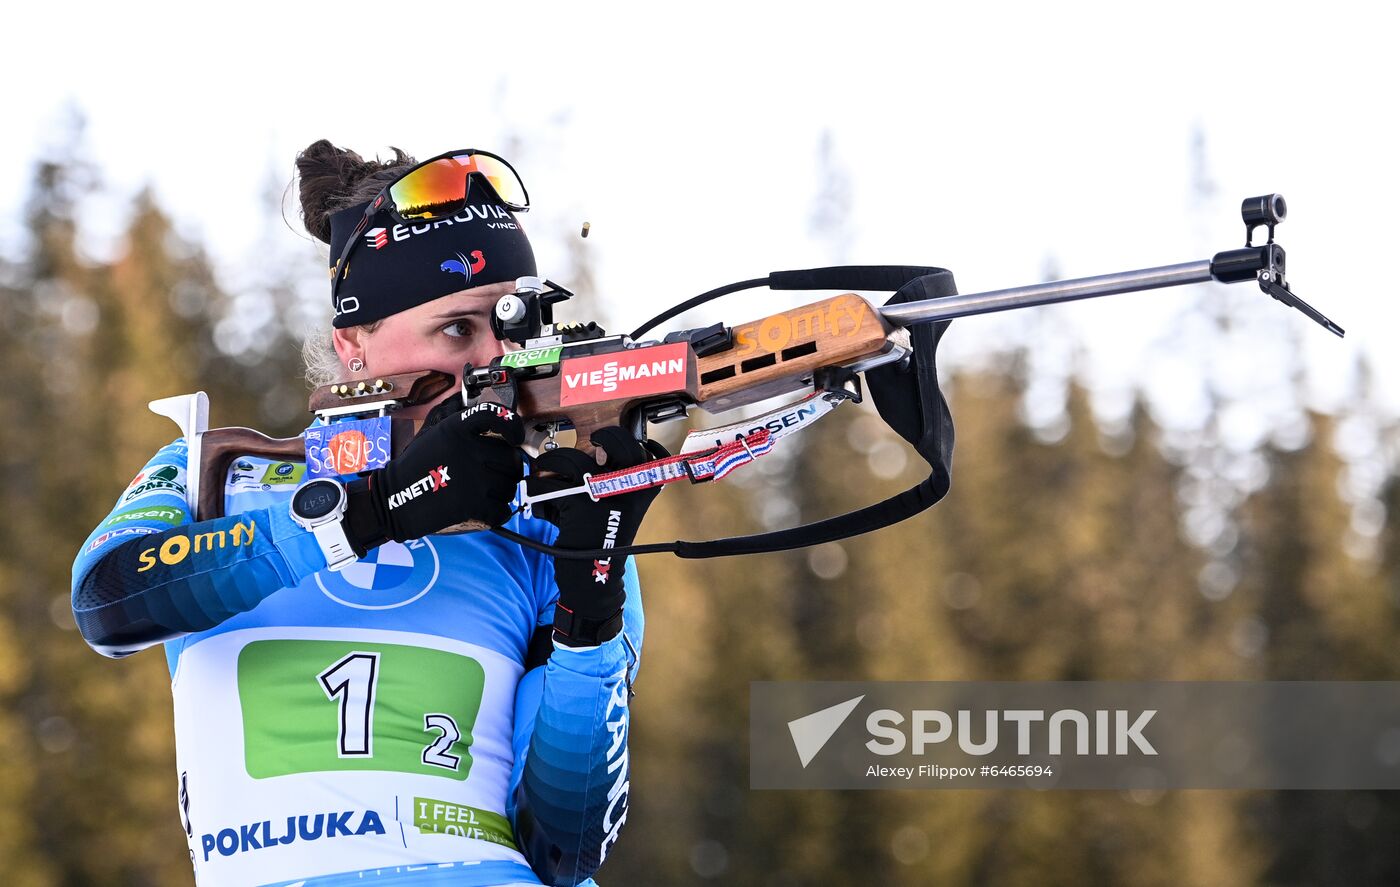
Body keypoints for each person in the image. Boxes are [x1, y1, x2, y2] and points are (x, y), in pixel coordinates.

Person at [70, 141, 663, 887]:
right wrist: (372, 512)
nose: (495, 360)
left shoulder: (541, 515)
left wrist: (592, 603)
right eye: (458, 329)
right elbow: (107, 598)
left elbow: (566, 842)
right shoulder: (223, 475)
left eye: (513, 328)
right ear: (352, 342)